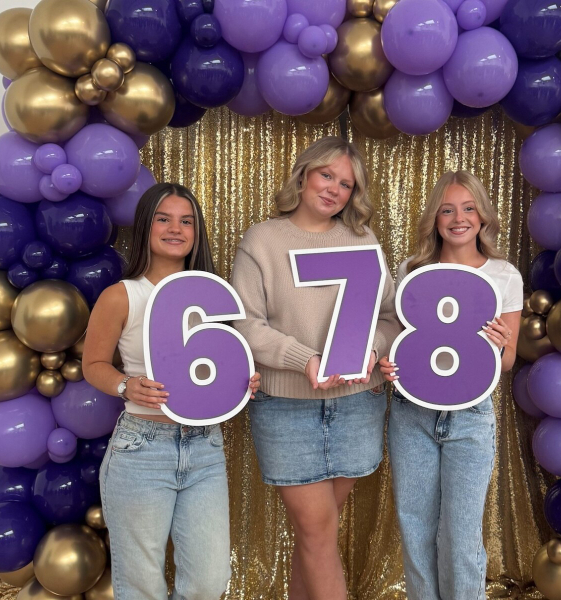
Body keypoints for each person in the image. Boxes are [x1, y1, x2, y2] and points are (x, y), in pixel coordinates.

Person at [230, 137, 401, 600]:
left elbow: (389, 316)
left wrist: (373, 351)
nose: (334, 190)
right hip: (286, 408)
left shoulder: (363, 240)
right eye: (327, 175)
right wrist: (300, 358)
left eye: (346, 184)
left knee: (315, 536)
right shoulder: (262, 240)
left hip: (356, 405)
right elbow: (243, 322)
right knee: (317, 531)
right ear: (304, 174)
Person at [82, 182, 260, 600]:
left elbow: (217, 364)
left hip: (204, 448)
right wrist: (127, 385)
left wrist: (241, 381)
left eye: (186, 221)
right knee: (142, 584)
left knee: (208, 582)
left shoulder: (215, 298)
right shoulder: (121, 295)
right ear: (145, 227)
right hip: (141, 448)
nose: (175, 228)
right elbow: (93, 366)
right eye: (163, 219)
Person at [378, 170, 523, 600]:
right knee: (416, 527)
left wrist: (499, 346)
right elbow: (399, 343)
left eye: (468, 208)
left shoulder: (504, 275)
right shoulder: (413, 271)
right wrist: (388, 366)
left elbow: (510, 360)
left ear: (482, 216)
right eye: (446, 210)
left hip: (471, 418)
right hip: (412, 413)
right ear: (434, 219)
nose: (458, 218)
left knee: (460, 535)